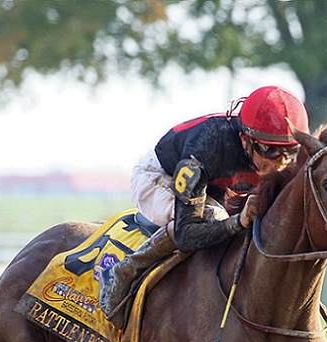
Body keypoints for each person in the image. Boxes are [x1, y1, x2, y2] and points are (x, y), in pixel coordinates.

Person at [98, 85, 310, 322]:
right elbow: (187, 234)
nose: (281, 163)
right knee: (214, 219)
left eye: (291, 151)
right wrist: (238, 221)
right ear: (245, 140)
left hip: (214, 188)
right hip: (159, 178)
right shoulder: (206, 149)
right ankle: (121, 274)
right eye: (270, 151)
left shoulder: (280, 158)